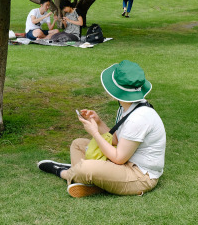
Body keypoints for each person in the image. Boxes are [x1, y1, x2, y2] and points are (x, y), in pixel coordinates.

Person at [37, 60, 166, 198]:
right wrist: (99, 122)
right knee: (78, 144)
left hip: (140, 176)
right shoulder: (127, 107)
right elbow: (116, 140)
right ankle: (90, 180)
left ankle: (64, 172)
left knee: (86, 168)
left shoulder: (139, 117)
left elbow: (119, 158)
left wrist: (94, 133)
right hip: (125, 164)